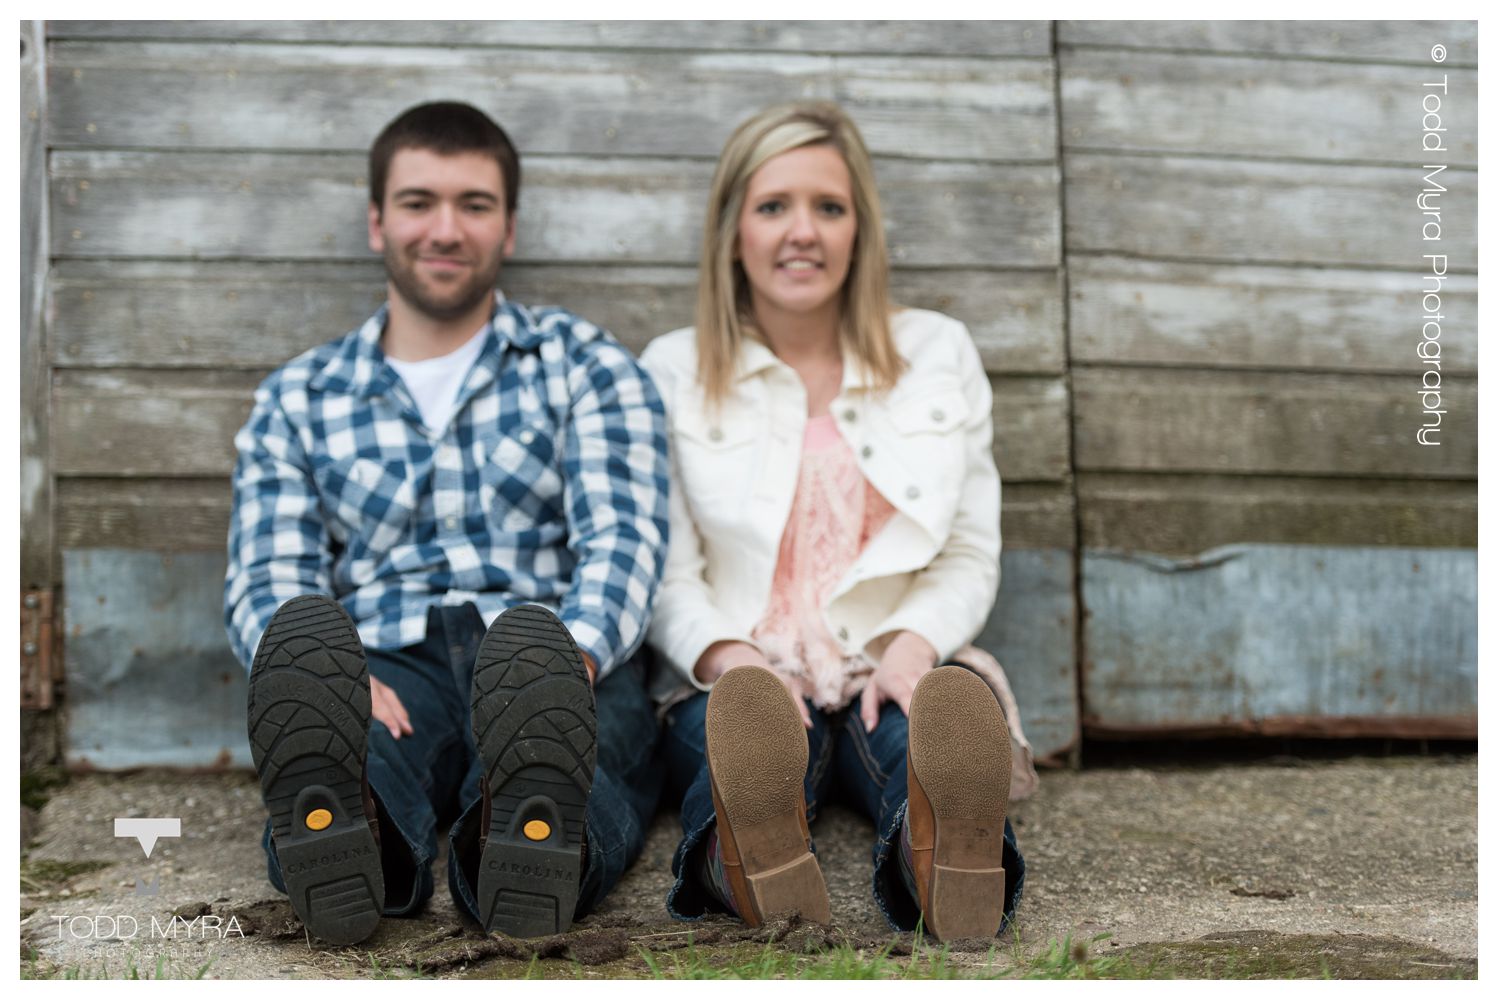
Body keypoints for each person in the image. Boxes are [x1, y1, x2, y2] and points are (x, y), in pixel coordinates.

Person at [224, 101, 670, 945]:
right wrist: (326, 674)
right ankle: (348, 833)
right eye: (419, 202)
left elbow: (626, 537)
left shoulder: (586, 365)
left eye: (474, 204)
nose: (445, 229)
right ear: (376, 221)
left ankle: (527, 842)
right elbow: (266, 571)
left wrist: (573, 657)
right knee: (357, 753)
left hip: (549, 643)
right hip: (383, 656)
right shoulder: (299, 397)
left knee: (580, 756)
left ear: (509, 227)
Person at [641, 102, 1032, 940]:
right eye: (772, 206)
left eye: (828, 207)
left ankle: (944, 861)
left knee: (924, 745)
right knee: (738, 757)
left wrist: (915, 647)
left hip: (889, 658)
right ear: (732, 231)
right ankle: (738, 856)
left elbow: (968, 548)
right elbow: (667, 573)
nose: (803, 232)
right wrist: (736, 662)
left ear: (861, 229)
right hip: (740, 669)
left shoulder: (936, 353)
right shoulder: (674, 370)